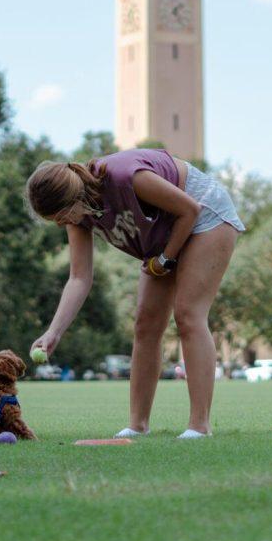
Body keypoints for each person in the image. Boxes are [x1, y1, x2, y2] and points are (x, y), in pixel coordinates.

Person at [26, 148, 245, 439]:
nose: (60, 223)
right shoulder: (76, 216)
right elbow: (79, 278)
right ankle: (138, 424)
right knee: (145, 325)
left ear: (73, 197)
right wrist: (54, 332)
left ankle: (199, 426)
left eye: (60, 216)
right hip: (165, 233)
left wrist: (166, 259)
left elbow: (189, 209)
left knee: (188, 314)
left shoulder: (125, 176)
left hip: (206, 215)